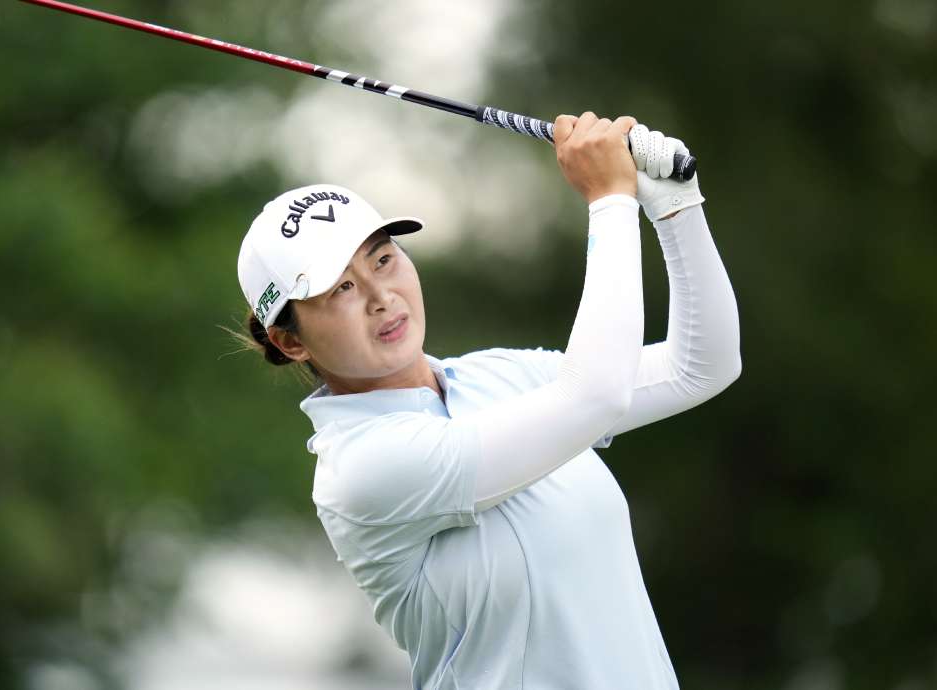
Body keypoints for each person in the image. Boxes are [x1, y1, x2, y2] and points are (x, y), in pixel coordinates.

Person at [234, 112, 741, 689]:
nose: (381, 296)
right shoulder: (361, 468)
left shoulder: (501, 375)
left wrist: (675, 205)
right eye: (342, 288)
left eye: (383, 259)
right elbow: (596, 395)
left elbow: (701, 367)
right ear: (291, 341)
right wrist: (611, 201)